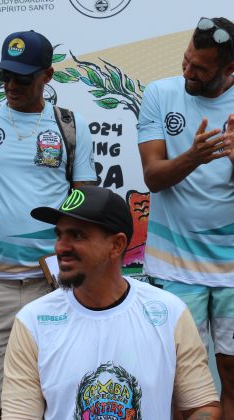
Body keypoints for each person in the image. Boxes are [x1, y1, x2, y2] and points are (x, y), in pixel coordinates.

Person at [0, 30, 96, 419]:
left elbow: (84, 202)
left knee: (58, 394)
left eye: (23, 78)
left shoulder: (70, 124)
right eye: (5, 76)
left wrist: (76, 269)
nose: (12, 86)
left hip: (53, 286)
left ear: (47, 76)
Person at [2, 185, 221, 419]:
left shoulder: (169, 312)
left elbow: (202, 406)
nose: (60, 247)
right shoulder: (33, 321)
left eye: (77, 235)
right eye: (59, 235)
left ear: (116, 245)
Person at [137, 16, 234, 414]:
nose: (188, 72)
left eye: (200, 69)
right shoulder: (160, 93)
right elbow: (153, 177)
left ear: (229, 70)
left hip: (231, 269)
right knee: (181, 379)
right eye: (186, 60)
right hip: (174, 266)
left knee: (231, 371)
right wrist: (194, 156)